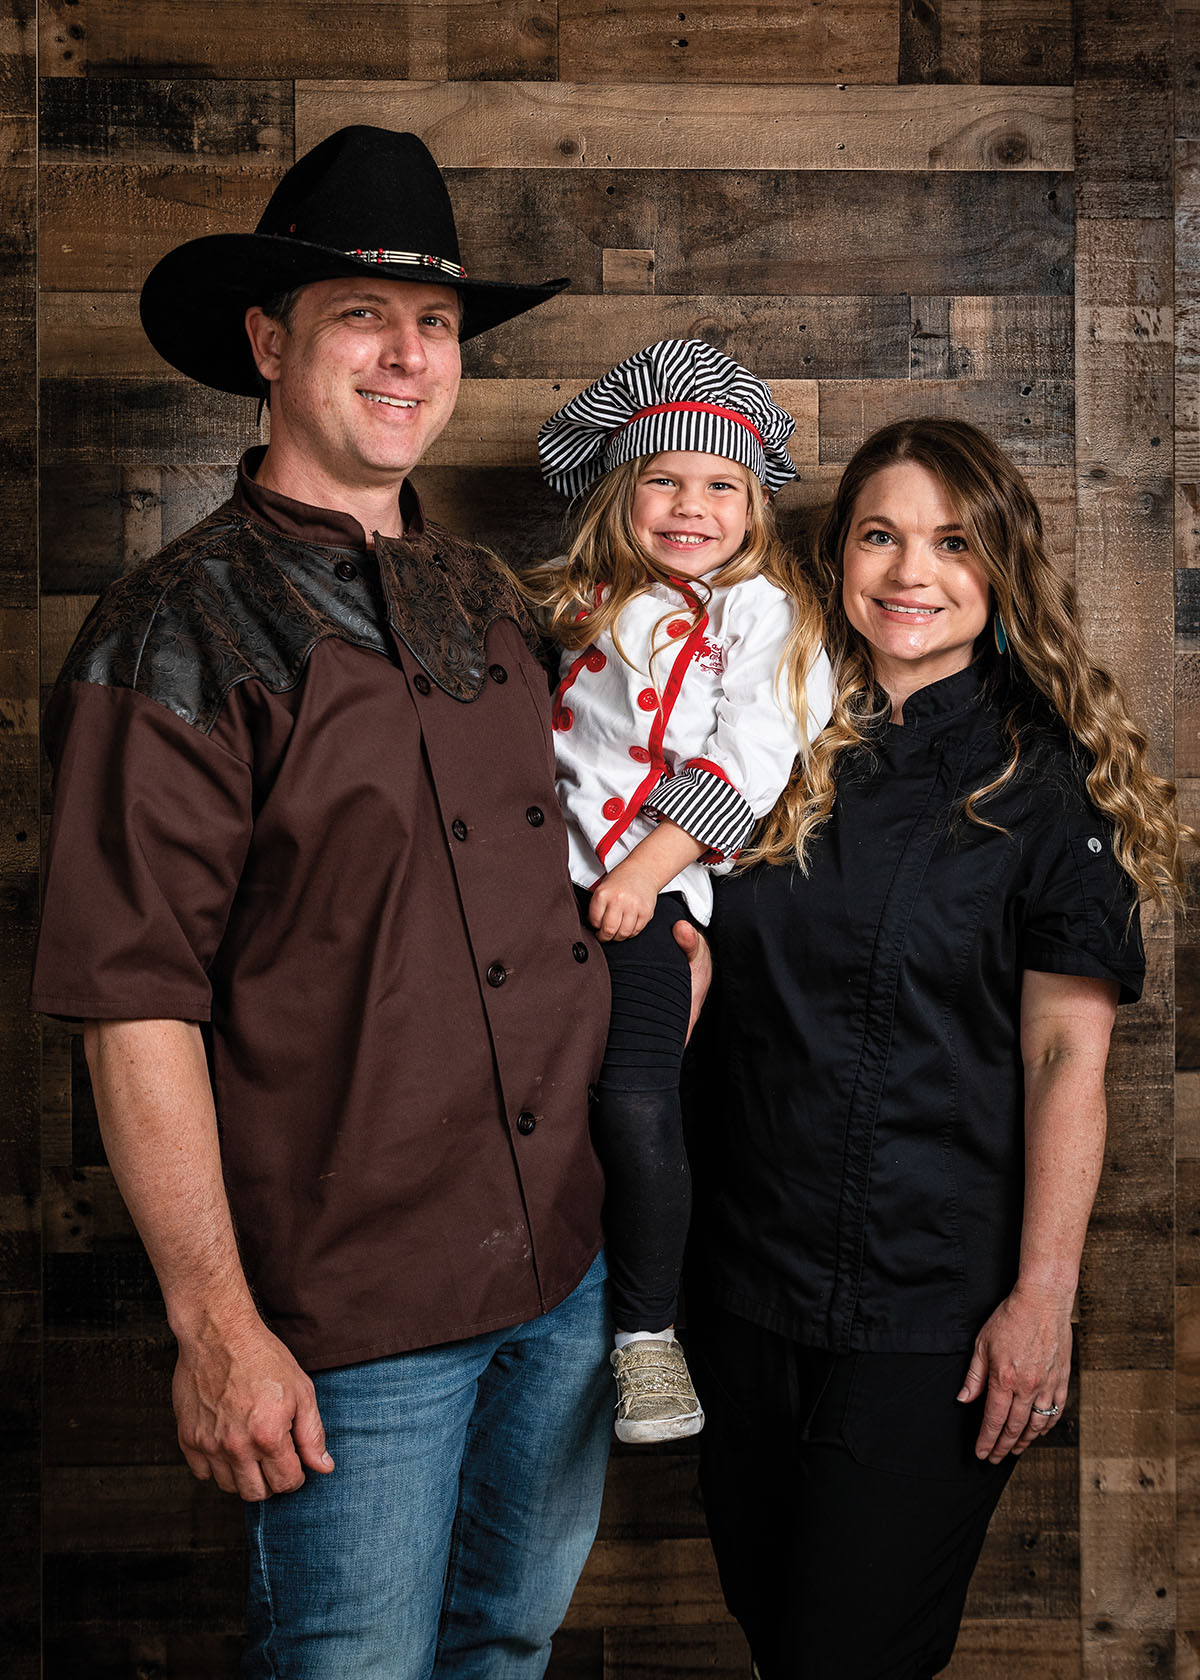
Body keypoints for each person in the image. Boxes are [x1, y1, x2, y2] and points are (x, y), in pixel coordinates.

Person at [31, 125, 707, 1679]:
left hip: (564, 1268)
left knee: (510, 1650)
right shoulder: (169, 632)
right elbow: (135, 1005)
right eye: (362, 317)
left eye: (438, 327)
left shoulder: (491, 601)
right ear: (268, 345)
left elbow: (558, 853)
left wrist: (666, 938)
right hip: (351, 1317)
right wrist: (214, 1321)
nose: (409, 358)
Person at [685, 417, 1193, 1679]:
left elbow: (1070, 1060)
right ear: (838, 556)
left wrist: (1044, 1299)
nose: (912, 573)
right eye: (881, 536)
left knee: (845, 1659)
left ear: (1000, 567)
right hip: (739, 1287)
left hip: (931, 1317)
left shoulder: (1046, 783)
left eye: (952, 543)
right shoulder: (760, 743)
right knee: (773, 1627)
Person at [527, 341, 832, 1443]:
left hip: (642, 899)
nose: (691, 504)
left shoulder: (764, 618)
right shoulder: (577, 601)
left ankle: (649, 1338)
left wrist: (647, 876)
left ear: (755, 505)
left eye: (721, 485)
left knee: (636, 1099)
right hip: (532, 889)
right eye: (664, 478)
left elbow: (752, 756)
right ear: (621, 490)